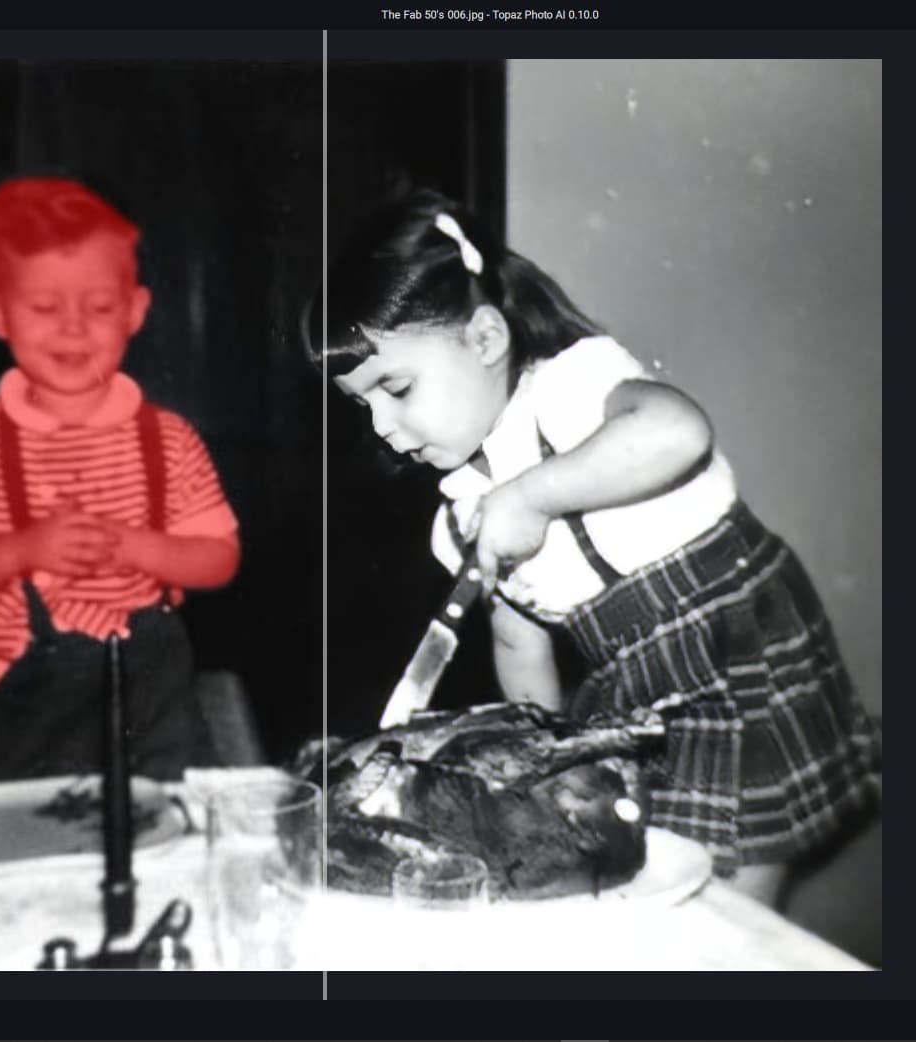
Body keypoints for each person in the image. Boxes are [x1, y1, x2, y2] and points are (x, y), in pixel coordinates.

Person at [310, 190, 882, 905]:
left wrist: (533, 495)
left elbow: (678, 433)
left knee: (723, 900)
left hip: (731, 646)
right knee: (649, 882)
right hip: (637, 684)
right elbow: (519, 643)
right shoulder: (463, 516)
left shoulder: (569, 391)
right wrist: (543, 760)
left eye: (396, 388)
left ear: (485, 339)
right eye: (363, 405)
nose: (382, 427)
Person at [0, 177, 241, 781]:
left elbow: (219, 558)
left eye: (100, 307)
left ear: (134, 310)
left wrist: (134, 546)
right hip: (29, 708)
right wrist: (23, 550)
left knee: (169, 824)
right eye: (44, 307)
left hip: (153, 701)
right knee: (37, 829)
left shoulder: (168, 439)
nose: (73, 328)